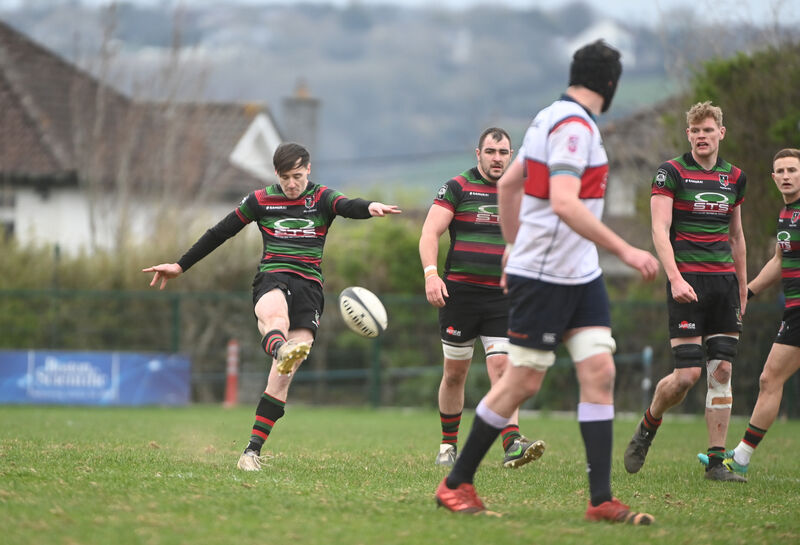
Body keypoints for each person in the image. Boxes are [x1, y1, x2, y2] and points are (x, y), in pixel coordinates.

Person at [434, 40, 659, 524]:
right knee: (523, 380)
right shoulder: (574, 127)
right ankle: (455, 484)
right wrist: (625, 248)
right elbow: (563, 201)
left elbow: (508, 184)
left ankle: (601, 500)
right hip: (545, 276)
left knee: (600, 372)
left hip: (581, 274)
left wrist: (512, 243)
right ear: (612, 84)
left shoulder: (547, 116)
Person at [143, 142, 401, 471]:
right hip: (272, 277)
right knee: (274, 317)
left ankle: (251, 451)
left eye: (297, 176)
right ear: (275, 175)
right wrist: (180, 266)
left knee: (282, 378)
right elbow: (220, 232)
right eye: (284, 178)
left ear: (308, 169)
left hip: (309, 287)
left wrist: (370, 207)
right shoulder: (260, 200)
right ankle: (280, 349)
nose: (291, 184)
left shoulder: (321, 198)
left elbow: (347, 205)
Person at [623, 101, 748, 482]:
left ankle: (716, 463)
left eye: (708, 130)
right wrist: (675, 278)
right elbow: (660, 231)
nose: (701, 136)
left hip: (724, 284)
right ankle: (648, 425)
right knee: (686, 377)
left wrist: (742, 288)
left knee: (722, 369)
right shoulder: (670, 173)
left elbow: (737, 236)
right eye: (695, 131)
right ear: (688, 135)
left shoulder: (734, 177)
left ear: (720, 133)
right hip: (687, 282)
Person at [419, 127, 545, 469]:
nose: (497, 158)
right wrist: (431, 274)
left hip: (502, 297)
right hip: (459, 295)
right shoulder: (458, 187)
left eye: (504, 152)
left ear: (511, 155)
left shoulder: (520, 191)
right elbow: (430, 232)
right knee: (455, 373)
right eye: (491, 152)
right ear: (478, 154)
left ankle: (511, 443)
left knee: (503, 366)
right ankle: (448, 445)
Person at [703, 148, 800, 477]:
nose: (786, 176)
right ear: (773, 178)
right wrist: (749, 290)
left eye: (793, 170)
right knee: (770, 379)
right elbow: (779, 260)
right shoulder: (787, 214)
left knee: (769, 378)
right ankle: (741, 457)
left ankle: (741, 458)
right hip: (794, 310)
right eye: (780, 171)